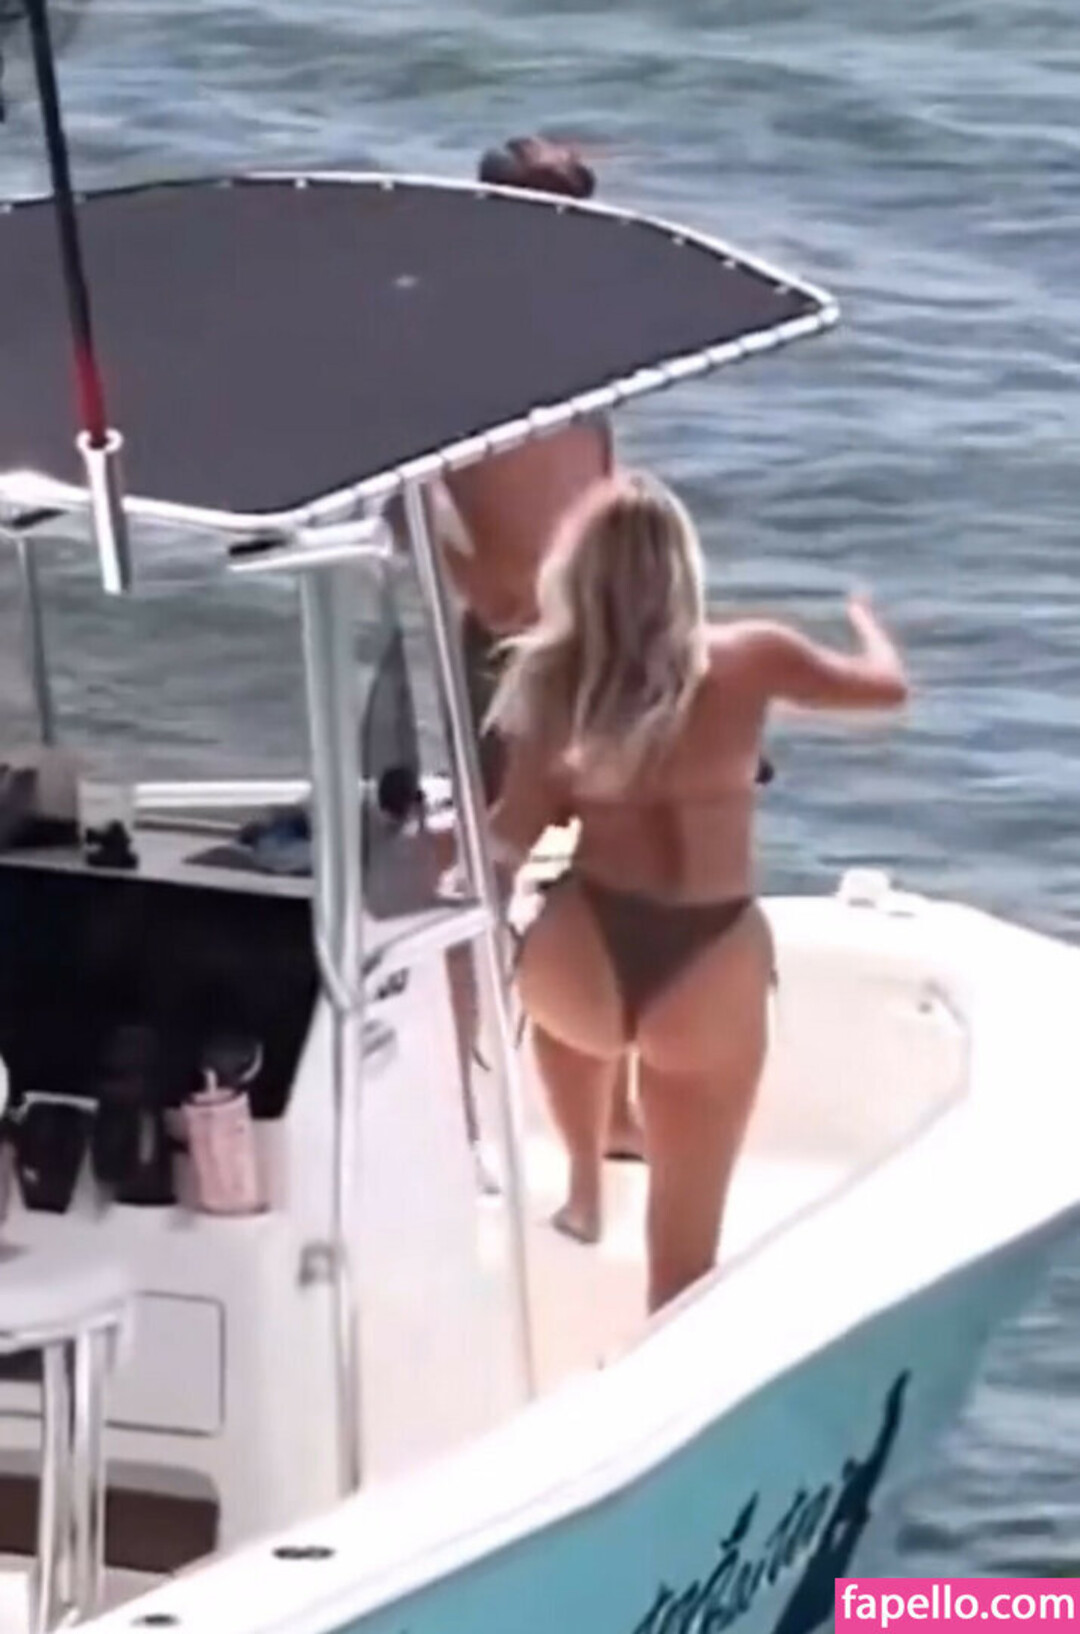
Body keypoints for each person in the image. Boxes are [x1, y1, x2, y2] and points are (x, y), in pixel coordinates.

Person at [484, 473, 909, 1312]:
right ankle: (646, 1326)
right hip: (708, 958)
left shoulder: (554, 680)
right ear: (684, 568)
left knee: (554, 954)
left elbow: (512, 836)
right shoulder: (752, 658)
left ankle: (585, 1183)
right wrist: (872, 629)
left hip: (585, 956)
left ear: (579, 575)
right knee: (682, 1268)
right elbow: (884, 694)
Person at [423, 133, 644, 1161]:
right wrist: (477, 580)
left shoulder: (576, 347)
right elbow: (404, 491)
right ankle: (461, 1109)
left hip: (597, 634)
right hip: (516, 641)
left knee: (623, 863)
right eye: (553, 214)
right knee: (489, 867)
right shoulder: (461, 346)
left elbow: (600, 485)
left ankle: (611, 1106)